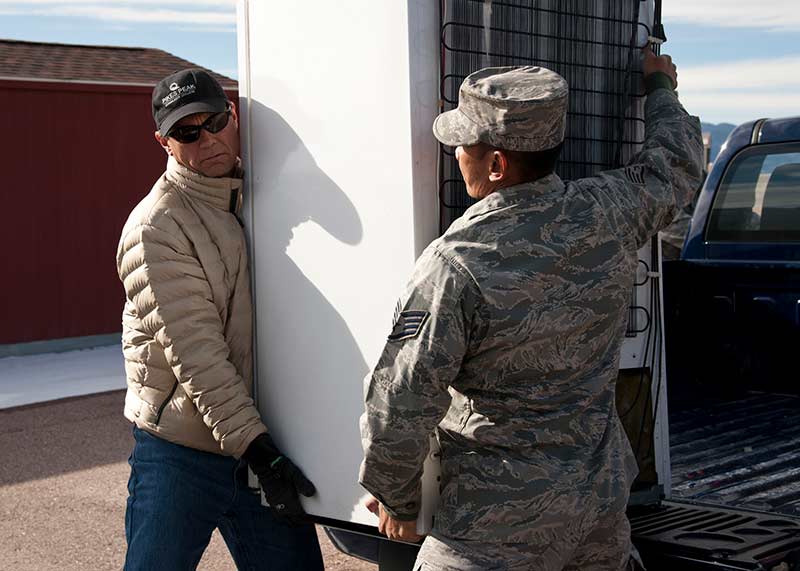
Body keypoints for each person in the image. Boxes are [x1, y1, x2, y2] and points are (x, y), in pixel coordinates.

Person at [359, 48, 703, 570]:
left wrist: (397, 501)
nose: (455, 154)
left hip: (493, 530)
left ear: (495, 164)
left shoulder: (457, 262)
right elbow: (676, 166)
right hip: (595, 518)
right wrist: (661, 91)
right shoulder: (609, 210)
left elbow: (400, 402)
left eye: (462, 145)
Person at [116, 68, 324, 571]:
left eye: (214, 121)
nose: (206, 139)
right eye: (187, 131)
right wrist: (261, 452)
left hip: (252, 438)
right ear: (164, 142)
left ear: (235, 117)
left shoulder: (263, 196)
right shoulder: (156, 227)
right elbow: (197, 354)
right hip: (181, 451)